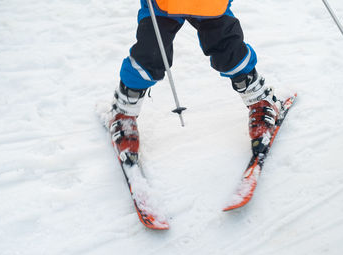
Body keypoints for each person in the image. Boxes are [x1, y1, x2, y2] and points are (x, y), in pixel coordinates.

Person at [109, 0, 282, 166]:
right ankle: (125, 110)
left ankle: (259, 98)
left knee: (230, 51)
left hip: (208, 3)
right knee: (150, 56)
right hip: (163, 4)